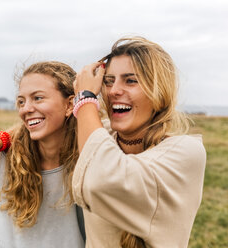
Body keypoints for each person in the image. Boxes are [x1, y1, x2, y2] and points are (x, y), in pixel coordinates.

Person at [71, 36, 206, 247]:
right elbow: (51, 122)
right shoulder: (103, 135)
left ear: (159, 91)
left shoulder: (187, 153)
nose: (113, 91)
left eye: (131, 80)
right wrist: (1, 139)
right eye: (108, 81)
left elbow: (102, 179)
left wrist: (85, 99)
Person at [0, 61, 85, 248]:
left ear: (69, 104)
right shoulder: (7, 158)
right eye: (21, 101)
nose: (25, 109)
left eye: (38, 98)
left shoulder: (89, 158)